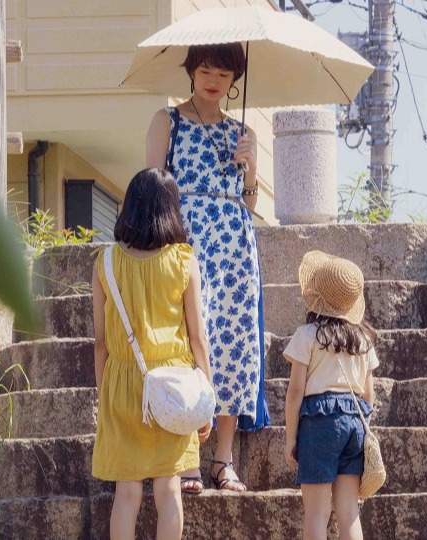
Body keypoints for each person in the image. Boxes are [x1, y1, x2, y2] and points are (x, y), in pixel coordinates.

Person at [145, 42, 269, 494]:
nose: (213, 79)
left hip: (235, 245)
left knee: (233, 344)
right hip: (186, 243)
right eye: (205, 69)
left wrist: (251, 168)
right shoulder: (169, 120)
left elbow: (249, 203)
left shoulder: (241, 130)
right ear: (191, 70)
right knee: (185, 345)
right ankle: (186, 457)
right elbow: (150, 186)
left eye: (223, 72)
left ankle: (224, 460)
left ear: (235, 78)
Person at [91, 167, 213, 540]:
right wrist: (208, 392)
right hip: (172, 388)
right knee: (168, 488)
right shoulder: (182, 261)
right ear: (171, 210)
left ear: (128, 207)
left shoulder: (106, 262)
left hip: (123, 384)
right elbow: (198, 338)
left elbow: (101, 343)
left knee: (126, 493)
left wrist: (105, 396)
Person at [283, 251, 379, 540]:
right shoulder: (363, 340)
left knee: (316, 512)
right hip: (354, 424)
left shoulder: (308, 335)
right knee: (349, 510)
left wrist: (291, 439)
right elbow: (368, 394)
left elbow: (295, 392)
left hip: (319, 424)